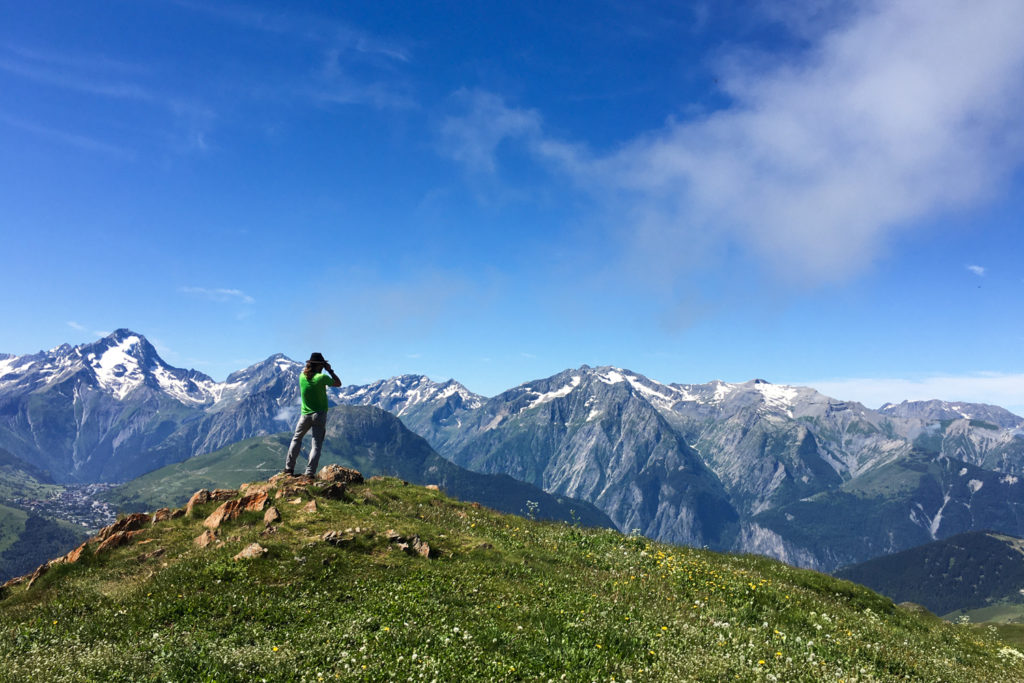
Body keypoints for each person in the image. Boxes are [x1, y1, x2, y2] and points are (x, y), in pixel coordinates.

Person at [283, 352, 342, 477]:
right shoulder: (321, 378)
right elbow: (338, 383)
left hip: (305, 415)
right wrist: (330, 370)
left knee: (296, 439)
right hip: (319, 414)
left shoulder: (301, 377)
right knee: (316, 445)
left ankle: (288, 469)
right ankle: (309, 473)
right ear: (320, 365)